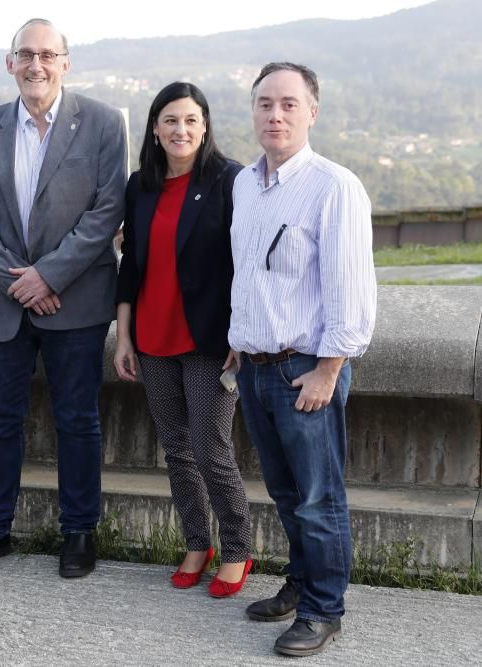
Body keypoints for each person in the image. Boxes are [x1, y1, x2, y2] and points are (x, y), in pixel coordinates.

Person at [0, 18, 126, 579]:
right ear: (10, 63)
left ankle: (78, 531)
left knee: (77, 419)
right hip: (1, 305)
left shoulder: (101, 123)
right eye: (26, 54)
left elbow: (106, 209)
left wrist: (48, 277)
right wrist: (17, 281)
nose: (36, 65)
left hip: (77, 301)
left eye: (48, 55)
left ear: (66, 62)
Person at [229, 62, 376, 657]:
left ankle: (324, 609)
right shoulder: (245, 184)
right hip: (257, 368)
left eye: (289, 104)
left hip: (305, 370)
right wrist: (239, 342)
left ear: (312, 111)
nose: (275, 114)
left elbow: (351, 290)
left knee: (320, 498)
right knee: (286, 494)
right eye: (265, 103)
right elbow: (249, 274)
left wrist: (329, 369)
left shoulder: (334, 186)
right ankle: (299, 583)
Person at [114, 82, 252, 597]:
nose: (181, 130)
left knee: (211, 447)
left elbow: (245, 263)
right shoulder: (141, 185)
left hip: (208, 339)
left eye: (191, 120)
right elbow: (131, 266)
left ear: (206, 125)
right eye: (170, 120)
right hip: (153, 335)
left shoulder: (228, 179)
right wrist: (124, 336)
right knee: (176, 448)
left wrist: (242, 332)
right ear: (155, 127)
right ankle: (198, 542)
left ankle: (237, 548)